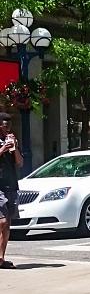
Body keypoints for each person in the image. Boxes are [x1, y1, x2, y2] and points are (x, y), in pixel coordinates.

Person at [0, 112, 23, 269]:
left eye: (9, 124)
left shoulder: (12, 140)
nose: (7, 127)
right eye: (4, 124)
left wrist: (14, 148)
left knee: (7, 223)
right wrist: (2, 149)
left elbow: (20, 163)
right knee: (2, 221)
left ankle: (1, 259)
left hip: (11, 185)